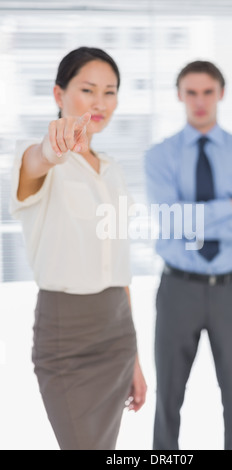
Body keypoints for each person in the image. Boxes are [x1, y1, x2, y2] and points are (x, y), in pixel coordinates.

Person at [10, 46, 147, 450]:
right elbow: (38, 160)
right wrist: (51, 150)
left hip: (118, 331)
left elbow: (119, 268)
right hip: (66, 336)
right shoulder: (35, 155)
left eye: (110, 91)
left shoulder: (113, 171)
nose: (100, 102)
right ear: (58, 95)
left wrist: (135, 359)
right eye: (88, 90)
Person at [145, 60, 232, 450]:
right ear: (180, 96)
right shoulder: (160, 156)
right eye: (191, 93)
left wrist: (194, 218)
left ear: (221, 94)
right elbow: (169, 223)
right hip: (178, 289)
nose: (199, 102)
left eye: (208, 92)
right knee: (167, 400)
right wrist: (229, 207)